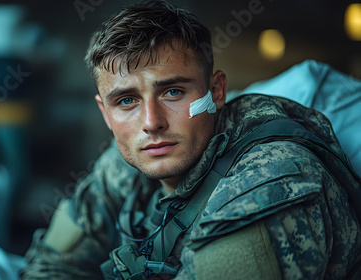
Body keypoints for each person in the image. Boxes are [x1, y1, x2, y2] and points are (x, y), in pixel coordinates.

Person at [21, 1, 361, 279]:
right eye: (127, 101)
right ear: (106, 114)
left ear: (216, 91)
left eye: (172, 92)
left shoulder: (271, 181)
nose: (152, 123)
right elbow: (49, 267)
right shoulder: (128, 161)